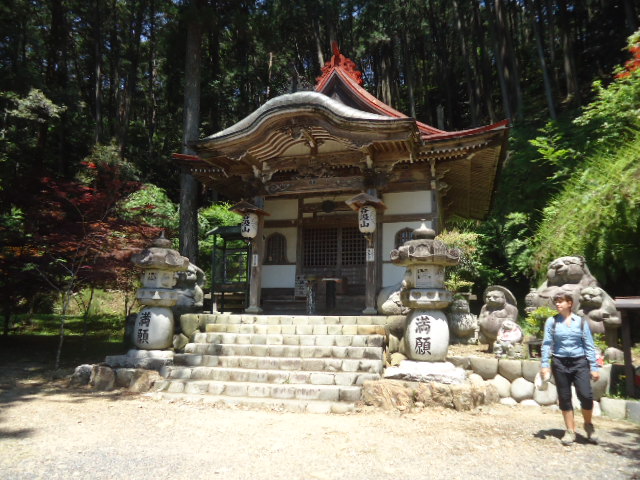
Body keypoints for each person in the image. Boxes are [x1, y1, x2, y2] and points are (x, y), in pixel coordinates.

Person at [540, 292, 601, 445]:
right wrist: (545, 365)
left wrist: (594, 367)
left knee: (586, 395)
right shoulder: (552, 322)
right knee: (564, 397)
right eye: (556, 302)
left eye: (561, 301)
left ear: (569, 303)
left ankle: (588, 425)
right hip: (560, 362)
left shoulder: (581, 322)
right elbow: (547, 344)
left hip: (579, 362)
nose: (557, 304)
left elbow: (589, 345)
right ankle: (570, 430)